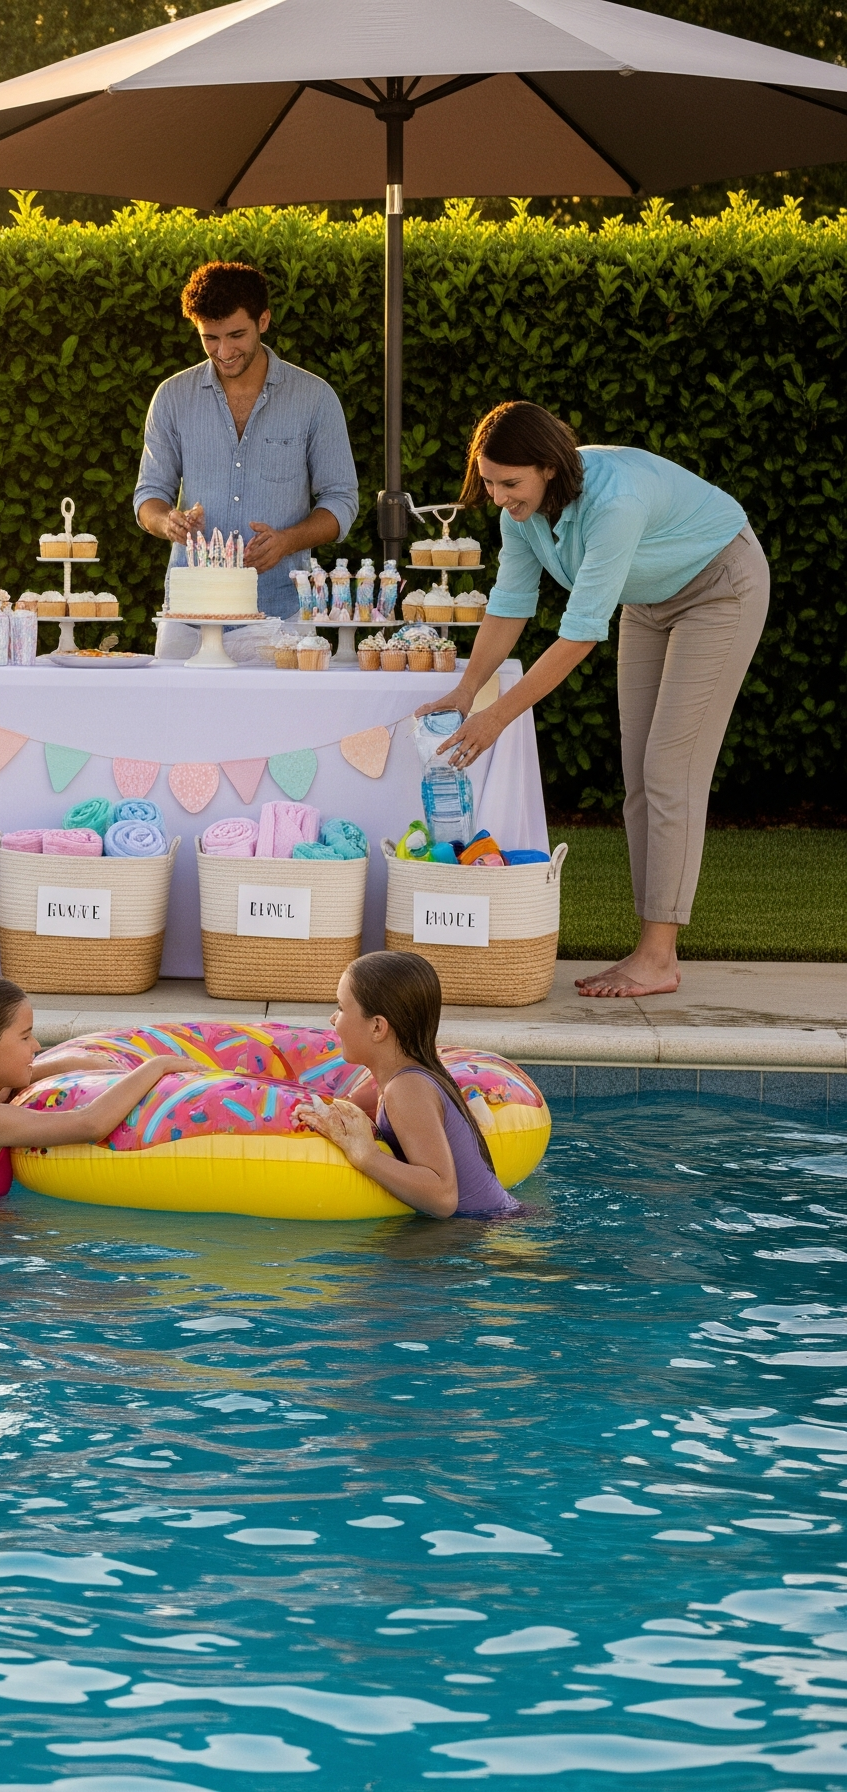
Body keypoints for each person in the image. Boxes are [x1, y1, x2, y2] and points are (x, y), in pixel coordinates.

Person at [421, 401, 765, 999]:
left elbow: (580, 635)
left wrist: (498, 716)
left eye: (510, 483)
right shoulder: (519, 514)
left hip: (719, 587)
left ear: (549, 468)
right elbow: (510, 603)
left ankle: (658, 957)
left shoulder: (615, 501)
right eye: (490, 482)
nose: (498, 497)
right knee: (639, 775)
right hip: (649, 598)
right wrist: (467, 689)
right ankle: (651, 949)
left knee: (670, 770)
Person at [134, 260, 360, 618]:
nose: (223, 352)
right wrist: (168, 522)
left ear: (263, 321)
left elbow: (341, 500)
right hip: (189, 611)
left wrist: (286, 542)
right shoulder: (172, 397)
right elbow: (149, 495)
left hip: (282, 609)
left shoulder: (315, 398)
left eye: (236, 335)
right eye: (210, 338)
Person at [0, 975, 187, 1206]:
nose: (36, 1045)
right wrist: (157, 1066)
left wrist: (70, 1064)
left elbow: (12, 1082)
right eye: (25, 1036)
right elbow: (90, 1124)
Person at [294, 952, 520, 1220]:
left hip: (485, 1232)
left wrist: (367, 1156)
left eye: (341, 1008)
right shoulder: (404, 1079)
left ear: (377, 1027)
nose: (333, 1018)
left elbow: (443, 1198)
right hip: (489, 1223)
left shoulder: (406, 1089)